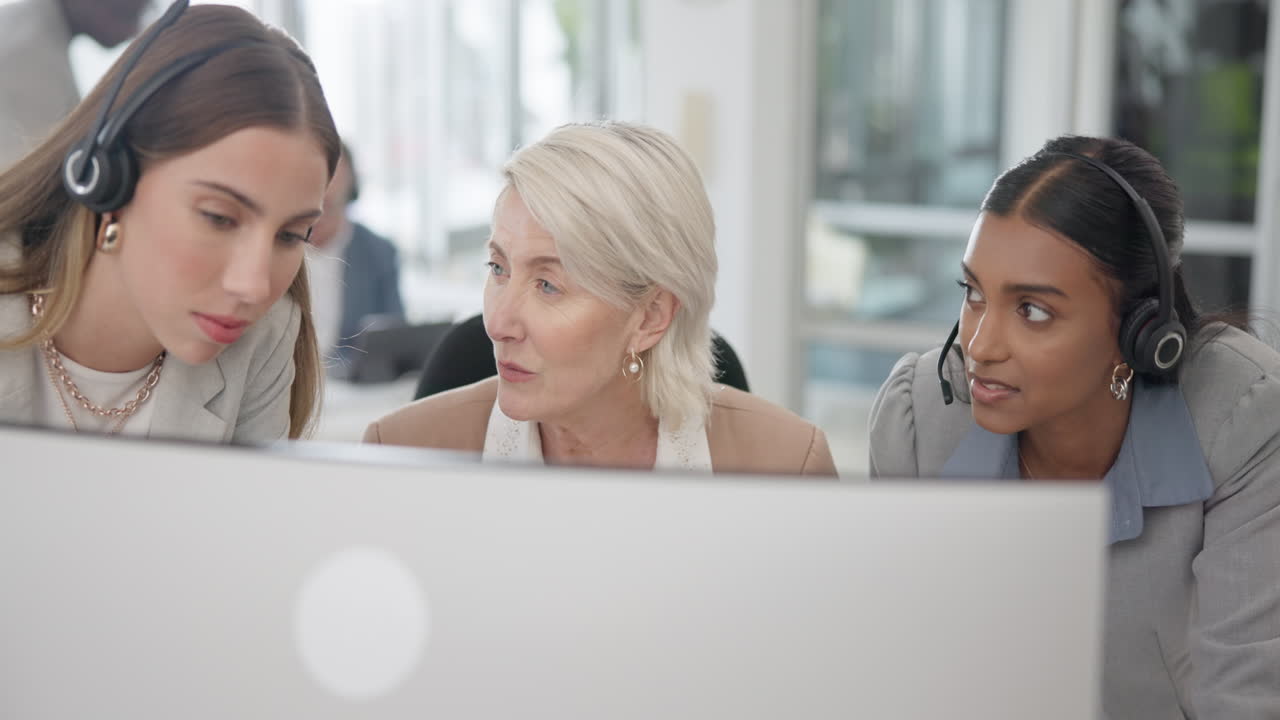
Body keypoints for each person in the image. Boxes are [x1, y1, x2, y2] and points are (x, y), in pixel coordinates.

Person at [868, 135, 1280, 717]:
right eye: (973, 294)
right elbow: (901, 677)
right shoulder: (919, 421)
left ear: (1139, 328)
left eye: (1032, 310)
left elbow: (1245, 699)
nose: (979, 346)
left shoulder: (1246, 423)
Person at [364, 121, 836, 476]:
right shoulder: (400, 453)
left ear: (650, 317)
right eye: (498, 269)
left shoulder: (788, 465)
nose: (498, 322)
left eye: (548, 285)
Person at [0, 0, 340, 442]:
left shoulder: (266, 335)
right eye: (219, 218)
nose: (254, 286)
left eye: (292, 235)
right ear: (108, 181)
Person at [0, 0, 152, 170]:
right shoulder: (28, 49)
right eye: (125, 14)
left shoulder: (22, 26)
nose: (132, 31)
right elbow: (40, 171)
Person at [306, 139, 405, 370]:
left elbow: (394, 336)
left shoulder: (379, 252)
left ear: (350, 186)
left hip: (350, 383)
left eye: (333, 173)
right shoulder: (274, 248)